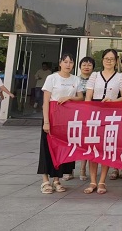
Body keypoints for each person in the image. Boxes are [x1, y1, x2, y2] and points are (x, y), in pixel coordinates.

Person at [83, 49, 122, 195]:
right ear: (102, 60)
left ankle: (102, 181)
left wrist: (113, 101)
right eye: (106, 58)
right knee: (93, 147)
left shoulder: (120, 77)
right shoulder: (95, 75)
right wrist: (87, 114)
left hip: (111, 113)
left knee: (106, 147)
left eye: (112, 59)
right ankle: (92, 181)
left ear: (116, 61)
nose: (109, 61)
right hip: (94, 112)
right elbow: (88, 96)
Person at [38, 54, 83, 194]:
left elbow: (81, 97)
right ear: (60, 63)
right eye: (65, 62)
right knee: (47, 147)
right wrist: (46, 121)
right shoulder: (52, 78)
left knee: (61, 148)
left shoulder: (76, 79)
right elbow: (46, 101)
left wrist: (69, 97)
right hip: (52, 116)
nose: (68, 64)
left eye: (71, 62)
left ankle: (57, 179)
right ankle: (45, 180)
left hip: (66, 118)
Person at [64, 56, 95, 182]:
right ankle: (69, 170)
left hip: (89, 115)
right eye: (84, 65)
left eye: (89, 65)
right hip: (73, 115)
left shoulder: (95, 80)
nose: (86, 67)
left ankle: (82, 169)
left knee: (86, 142)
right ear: (80, 66)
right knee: (71, 142)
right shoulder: (74, 79)